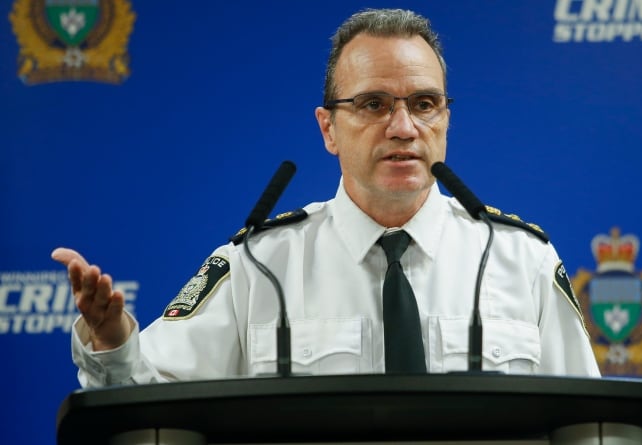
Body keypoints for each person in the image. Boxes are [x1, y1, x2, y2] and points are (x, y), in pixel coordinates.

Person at [52, 8, 600, 387]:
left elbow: (590, 423)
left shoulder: (519, 259)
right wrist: (112, 339)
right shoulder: (259, 264)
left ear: (446, 119)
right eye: (374, 104)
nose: (404, 127)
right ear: (328, 129)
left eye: (425, 103)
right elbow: (144, 397)